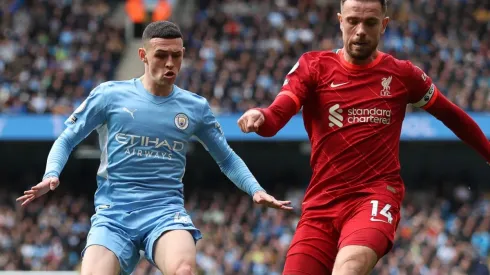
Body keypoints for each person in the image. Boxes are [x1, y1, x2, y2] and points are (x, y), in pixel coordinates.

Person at [17, 21, 292, 275]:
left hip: (165, 213)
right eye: (161, 55)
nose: (170, 63)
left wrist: (255, 190)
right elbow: (66, 138)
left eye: (177, 55)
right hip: (114, 214)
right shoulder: (109, 96)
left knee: (183, 269)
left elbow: (227, 159)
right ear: (143, 55)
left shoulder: (195, 108)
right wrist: (51, 173)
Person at [237, 0, 490, 274]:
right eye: (352, 21)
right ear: (340, 21)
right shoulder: (314, 66)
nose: (360, 31)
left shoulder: (402, 74)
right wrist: (261, 117)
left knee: (349, 267)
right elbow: (278, 114)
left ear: (384, 25)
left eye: (370, 23)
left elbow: (452, 116)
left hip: (375, 196)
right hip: (321, 205)